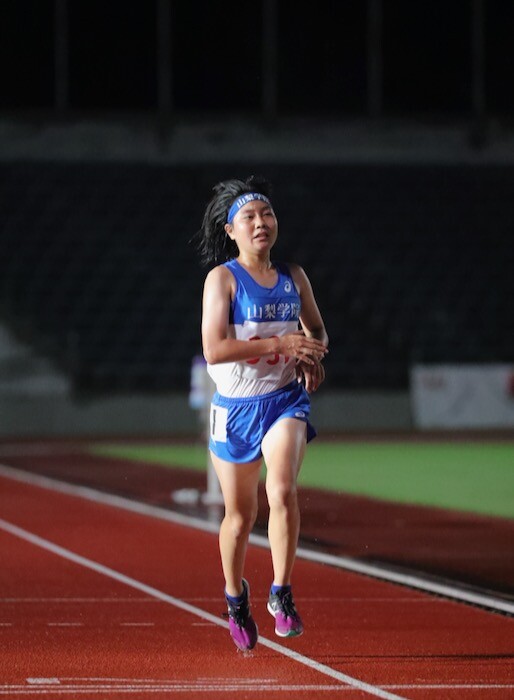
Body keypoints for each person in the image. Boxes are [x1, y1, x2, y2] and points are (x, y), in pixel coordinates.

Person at [195, 175, 328, 652]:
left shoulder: (295, 277)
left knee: (283, 489)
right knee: (239, 517)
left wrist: (312, 354)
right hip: (234, 409)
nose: (260, 223)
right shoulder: (223, 279)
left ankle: (281, 592)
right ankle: (236, 599)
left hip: (283, 399)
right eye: (249, 217)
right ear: (231, 230)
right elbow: (213, 349)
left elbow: (317, 331)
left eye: (267, 214)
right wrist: (280, 343)